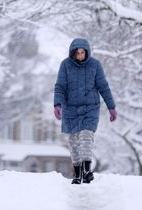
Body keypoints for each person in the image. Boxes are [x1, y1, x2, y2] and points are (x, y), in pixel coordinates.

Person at [53, 38, 117, 184]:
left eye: (83, 52)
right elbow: (60, 86)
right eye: (77, 53)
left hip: (90, 108)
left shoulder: (95, 65)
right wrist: (57, 104)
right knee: (74, 142)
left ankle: (87, 171)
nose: (80, 55)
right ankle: (77, 174)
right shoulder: (65, 65)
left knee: (86, 136)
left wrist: (111, 107)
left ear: (87, 52)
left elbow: (103, 86)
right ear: (73, 53)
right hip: (70, 109)